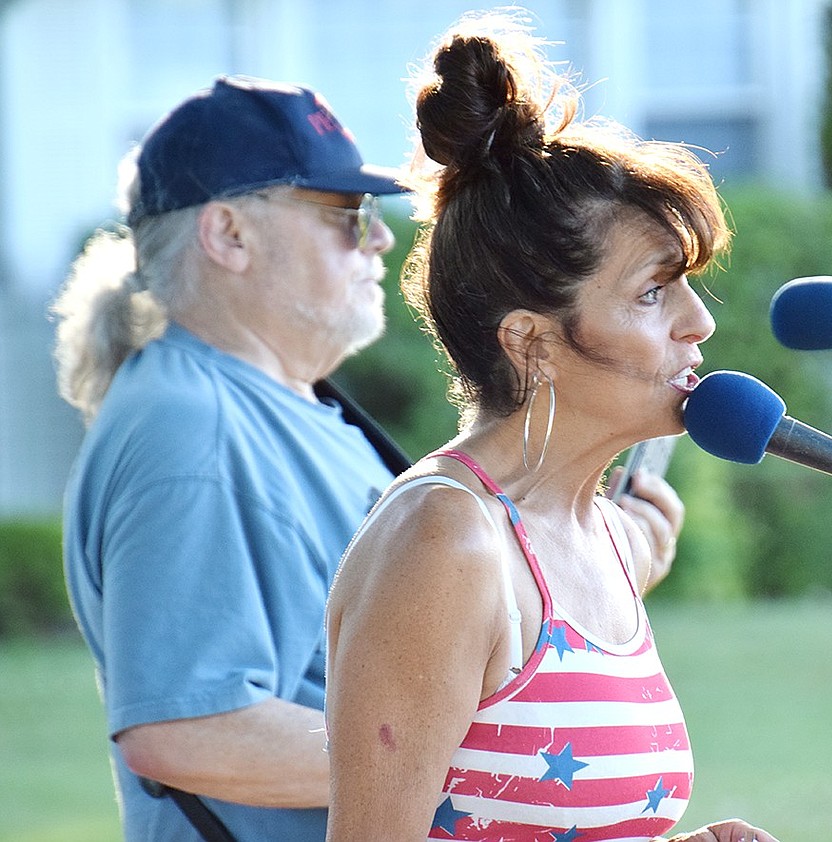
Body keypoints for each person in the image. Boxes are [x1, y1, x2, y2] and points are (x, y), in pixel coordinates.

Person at [53, 73, 685, 842]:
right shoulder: (191, 426)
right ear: (229, 236)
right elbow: (187, 729)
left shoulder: (278, 403)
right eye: (346, 217)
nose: (381, 237)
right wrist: (471, 733)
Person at [325, 12, 781, 842]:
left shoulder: (600, 527)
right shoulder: (444, 541)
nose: (698, 324)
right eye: (652, 292)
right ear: (531, 342)